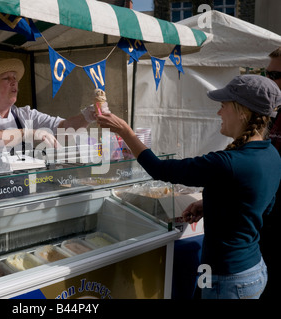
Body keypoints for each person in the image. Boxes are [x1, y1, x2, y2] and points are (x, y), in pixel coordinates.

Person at [96, 74, 281, 299]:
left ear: (243, 112)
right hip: (254, 270)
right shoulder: (272, 154)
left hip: (227, 279)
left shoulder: (228, 163)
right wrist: (210, 203)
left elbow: (160, 170)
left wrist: (125, 131)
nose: (219, 112)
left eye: (223, 106)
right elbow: (259, 204)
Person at [0, 58, 108, 150]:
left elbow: (63, 129)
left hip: (20, 186)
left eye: (15, 78)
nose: (14, 82)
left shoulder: (25, 114)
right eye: (6, 78)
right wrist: (26, 133)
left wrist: (86, 116)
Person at [260, 47, 281, 299]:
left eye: (274, 75)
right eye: (266, 73)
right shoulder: (273, 114)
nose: (268, 81)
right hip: (264, 220)